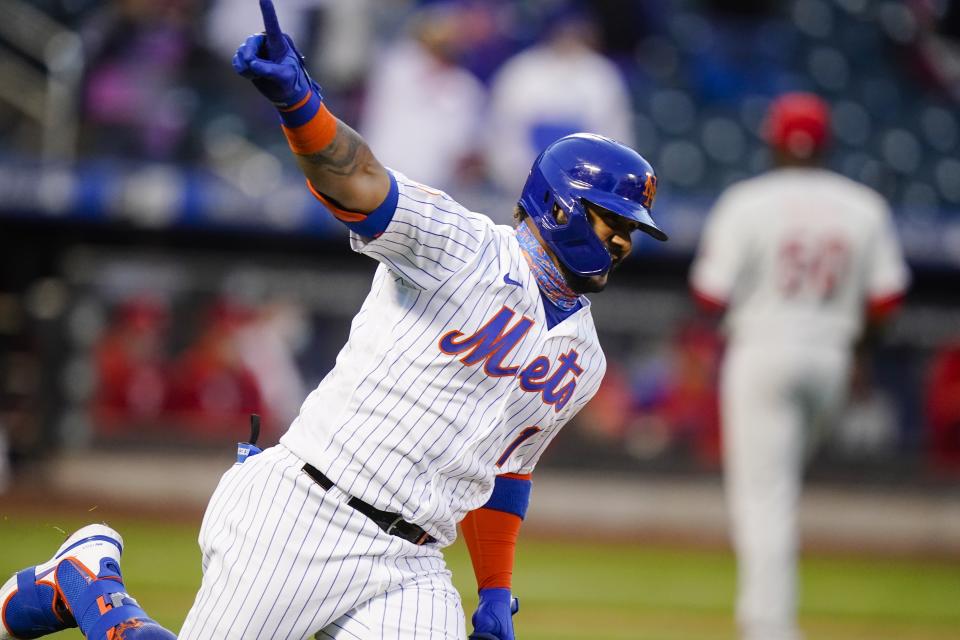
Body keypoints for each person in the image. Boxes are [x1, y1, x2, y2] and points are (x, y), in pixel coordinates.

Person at [0, 2, 667, 639]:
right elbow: (359, 182)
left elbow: (509, 471)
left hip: (411, 562)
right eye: (616, 222)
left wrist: (494, 590)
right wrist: (300, 105)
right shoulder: (462, 247)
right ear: (560, 207)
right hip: (307, 511)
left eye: (633, 230)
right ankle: (88, 583)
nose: (624, 242)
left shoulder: (585, 358)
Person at [689, 92, 910, 640]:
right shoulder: (864, 205)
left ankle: (768, 627)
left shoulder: (747, 200)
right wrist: (858, 354)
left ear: (772, 140)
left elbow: (709, 295)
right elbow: (885, 301)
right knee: (780, 490)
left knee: (764, 497)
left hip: (762, 348)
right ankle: (771, 620)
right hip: (831, 356)